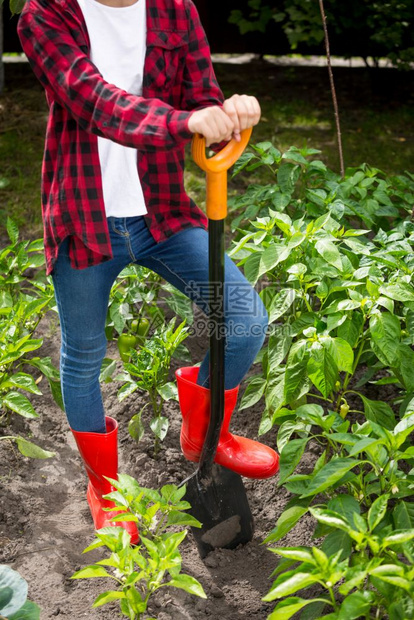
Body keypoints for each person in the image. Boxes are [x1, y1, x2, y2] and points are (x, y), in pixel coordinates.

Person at [17, 0, 279, 543]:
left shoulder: (175, 11)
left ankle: (203, 434)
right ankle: (104, 489)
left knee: (244, 318)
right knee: (85, 354)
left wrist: (227, 116)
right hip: (85, 218)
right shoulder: (46, 15)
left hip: (161, 214)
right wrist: (184, 120)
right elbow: (95, 102)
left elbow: (201, 100)